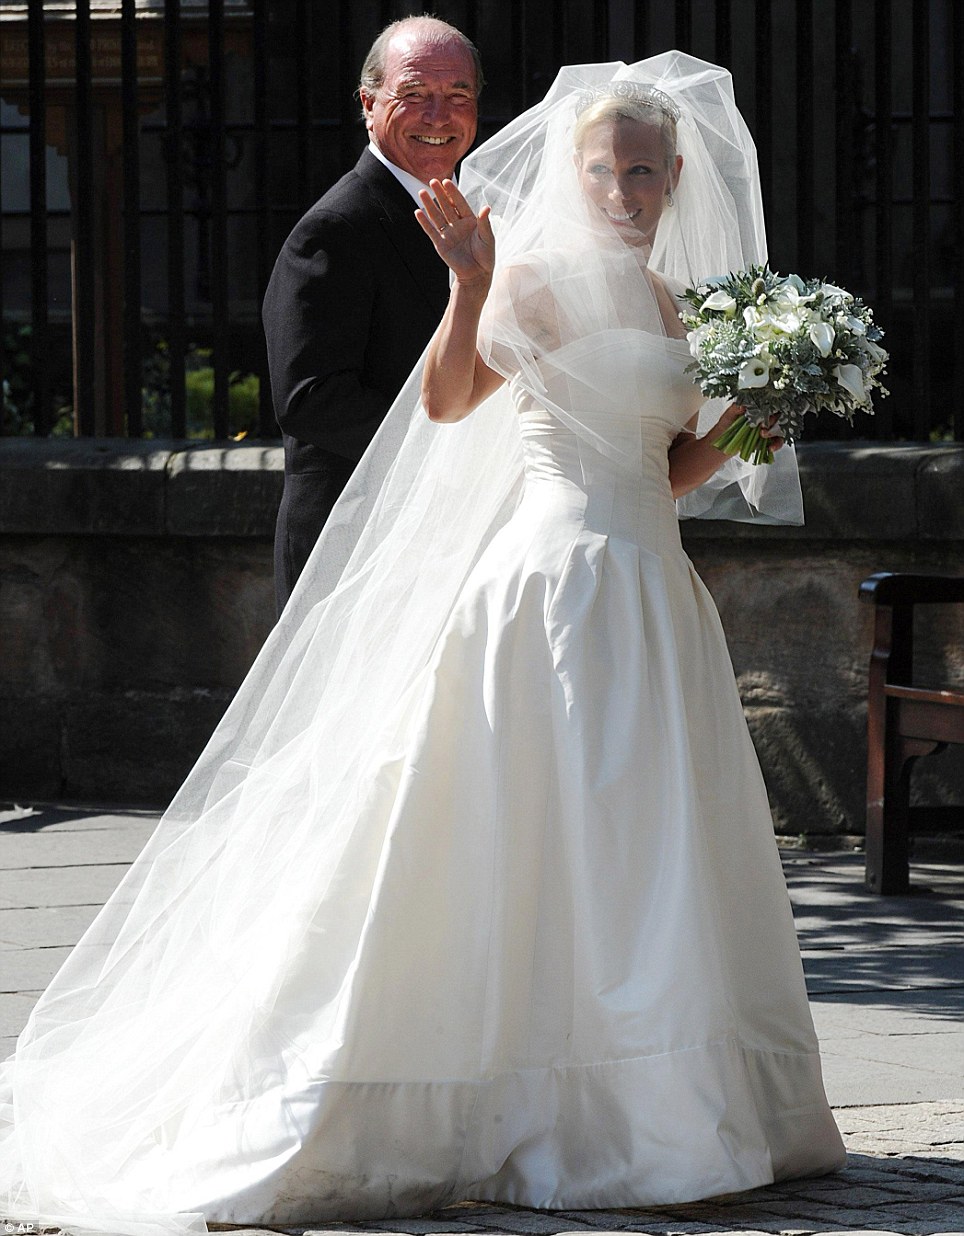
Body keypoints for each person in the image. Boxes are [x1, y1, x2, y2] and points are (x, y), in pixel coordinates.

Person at [0, 52, 845, 1236]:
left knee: (643, 839)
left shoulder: (668, 304)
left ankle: (662, 1098)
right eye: (606, 167)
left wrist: (760, 410)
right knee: (536, 829)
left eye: (646, 172)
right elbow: (446, 406)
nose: (625, 189)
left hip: (654, 587)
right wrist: (466, 285)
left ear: (673, 179)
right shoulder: (531, 275)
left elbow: (668, 467)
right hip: (555, 583)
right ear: (574, 166)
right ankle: (531, 1100)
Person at [263, 15, 482, 612]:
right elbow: (310, 398)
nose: (439, 116)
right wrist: (457, 454)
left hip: (456, 545)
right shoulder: (336, 229)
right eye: (414, 96)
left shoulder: (481, 213)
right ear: (368, 103)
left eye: (457, 95)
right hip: (355, 545)